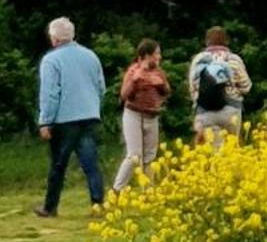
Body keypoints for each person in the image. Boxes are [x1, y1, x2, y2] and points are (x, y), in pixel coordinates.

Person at [34, 16, 106, 217]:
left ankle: (50, 206)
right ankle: (98, 203)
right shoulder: (91, 56)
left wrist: (45, 121)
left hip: (64, 119)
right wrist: (93, 106)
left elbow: (50, 93)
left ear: (54, 38)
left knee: (58, 165)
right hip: (89, 115)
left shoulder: (51, 60)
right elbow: (101, 87)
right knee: (91, 163)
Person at [111, 39, 170, 192]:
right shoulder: (133, 71)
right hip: (134, 115)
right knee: (134, 155)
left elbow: (167, 91)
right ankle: (117, 189)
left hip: (152, 116)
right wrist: (135, 80)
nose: (159, 57)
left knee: (150, 156)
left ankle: (148, 191)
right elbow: (124, 95)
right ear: (146, 55)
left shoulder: (158, 72)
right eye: (157, 53)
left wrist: (160, 84)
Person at [185, 26, 252, 148]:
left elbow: (192, 87)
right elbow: (246, 86)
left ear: (206, 41)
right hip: (231, 111)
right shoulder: (234, 59)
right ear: (226, 41)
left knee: (212, 154)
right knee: (232, 153)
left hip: (205, 111)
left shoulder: (199, 60)